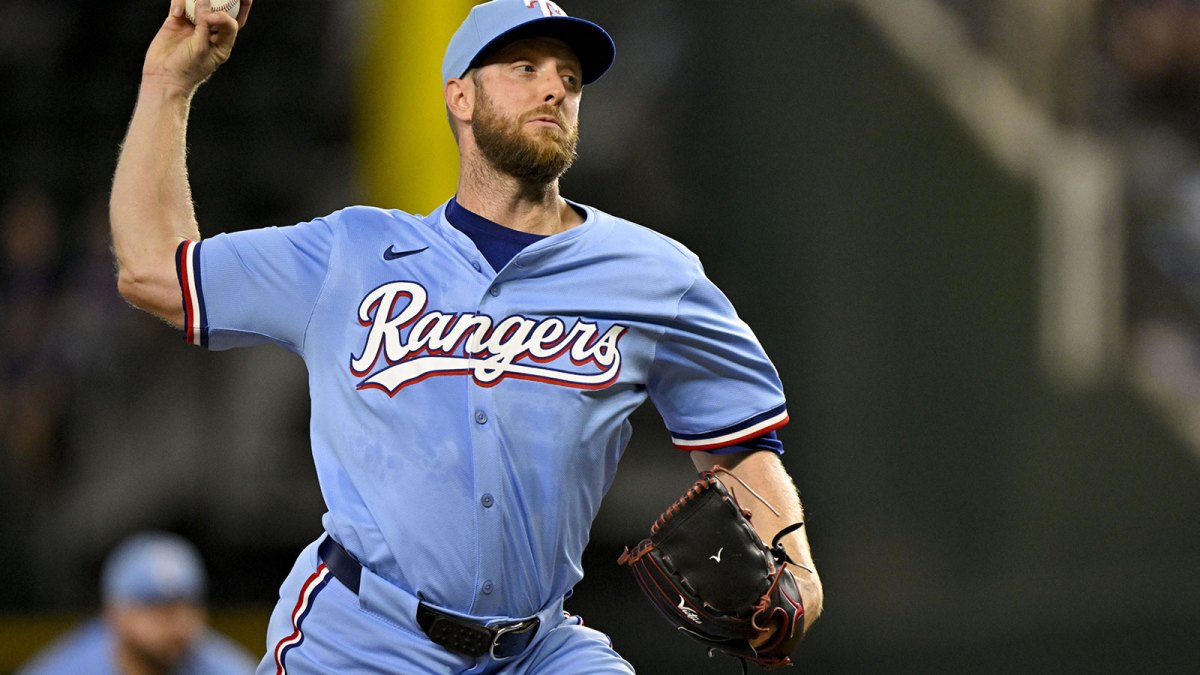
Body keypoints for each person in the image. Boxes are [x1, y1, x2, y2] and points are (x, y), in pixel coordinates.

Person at [109, 0, 825, 671]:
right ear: (460, 96)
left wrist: (796, 567)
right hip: (363, 635)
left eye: (569, 77)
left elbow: (740, 446)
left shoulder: (654, 275)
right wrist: (169, 83)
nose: (554, 89)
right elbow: (153, 272)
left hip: (538, 643)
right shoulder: (350, 252)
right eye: (525, 68)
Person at [17, 531, 257, 675]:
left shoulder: (226, 667)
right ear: (115, 612)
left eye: (188, 604)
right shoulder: (68, 668)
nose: (179, 621)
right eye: (158, 606)